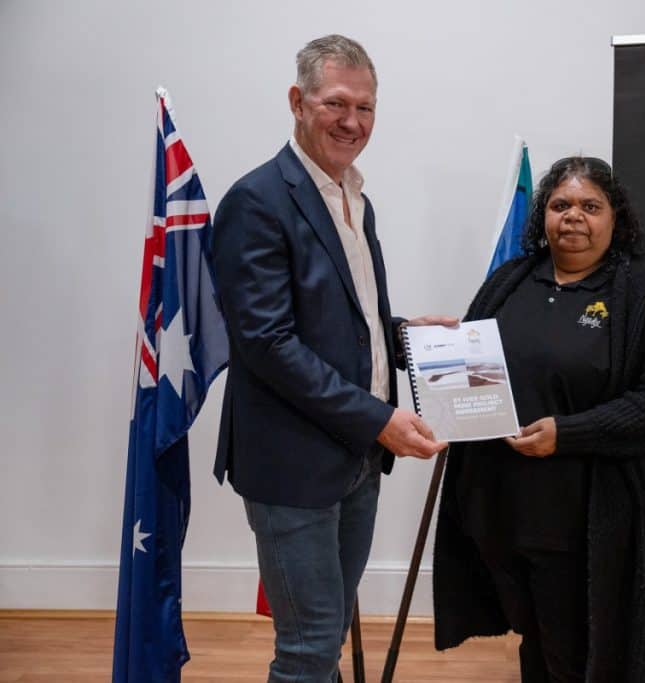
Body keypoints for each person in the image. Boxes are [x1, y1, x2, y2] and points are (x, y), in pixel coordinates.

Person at [211, 34, 453, 681]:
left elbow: (340, 315)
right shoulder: (257, 201)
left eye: (366, 107)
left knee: (327, 632)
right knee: (309, 644)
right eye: (336, 103)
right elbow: (267, 343)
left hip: (355, 461)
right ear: (297, 100)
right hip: (292, 466)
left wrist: (402, 336)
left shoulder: (353, 195)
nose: (352, 122)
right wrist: (379, 417)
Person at [432, 156, 645, 682]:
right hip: (502, 512)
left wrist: (569, 433)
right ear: (544, 216)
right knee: (537, 645)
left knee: (578, 656)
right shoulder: (511, 279)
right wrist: (422, 348)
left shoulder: (639, 291)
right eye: (561, 205)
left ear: (614, 218)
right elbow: (471, 370)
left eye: (590, 206)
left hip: (582, 521)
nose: (574, 216)